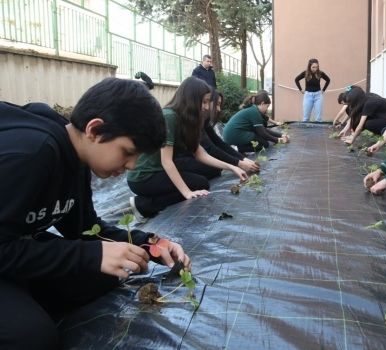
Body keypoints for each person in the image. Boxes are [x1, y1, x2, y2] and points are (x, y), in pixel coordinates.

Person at [0, 78, 192, 348]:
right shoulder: (33, 153)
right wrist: (89, 255)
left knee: (109, 273)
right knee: (32, 337)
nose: (132, 166)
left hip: (10, 247)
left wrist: (149, 244)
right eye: (128, 152)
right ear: (95, 129)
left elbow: (85, 228)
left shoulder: (76, 161)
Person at [128, 77, 247, 219]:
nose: (207, 107)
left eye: (208, 102)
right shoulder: (169, 116)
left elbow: (201, 154)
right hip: (143, 176)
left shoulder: (188, 120)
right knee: (199, 184)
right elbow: (167, 161)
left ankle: (147, 202)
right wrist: (186, 193)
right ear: (191, 99)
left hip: (159, 171)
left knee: (203, 179)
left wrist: (233, 167)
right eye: (204, 101)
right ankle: (143, 205)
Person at [201, 90, 260, 173]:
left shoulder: (205, 121)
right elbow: (211, 148)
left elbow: (219, 143)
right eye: (217, 104)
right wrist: (239, 163)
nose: (219, 109)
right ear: (262, 103)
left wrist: (244, 159)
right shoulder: (253, 111)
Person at [223, 92, 289, 153]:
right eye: (267, 106)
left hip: (231, 134)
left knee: (262, 141)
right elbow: (263, 133)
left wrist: (281, 135)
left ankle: (237, 147)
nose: (267, 109)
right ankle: (236, 148)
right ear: (262, 103)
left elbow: (263, 130)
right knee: (264, 144)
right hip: (234, 134)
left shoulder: (253, 109)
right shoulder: (254, 112)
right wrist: (278, 140)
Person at [294, 58, 331, 122]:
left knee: (319, 119)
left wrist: (323, 90)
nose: (315, 69)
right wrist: (301, 89)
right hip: (308, 96)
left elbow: (328, 80)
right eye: (313, 67)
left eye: (317, 67)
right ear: (309, 66)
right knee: (306, 118)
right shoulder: (305, 73)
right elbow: (296, 79)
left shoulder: (320, 73)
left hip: (318, 96)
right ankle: (305, 132)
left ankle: (318, 132)